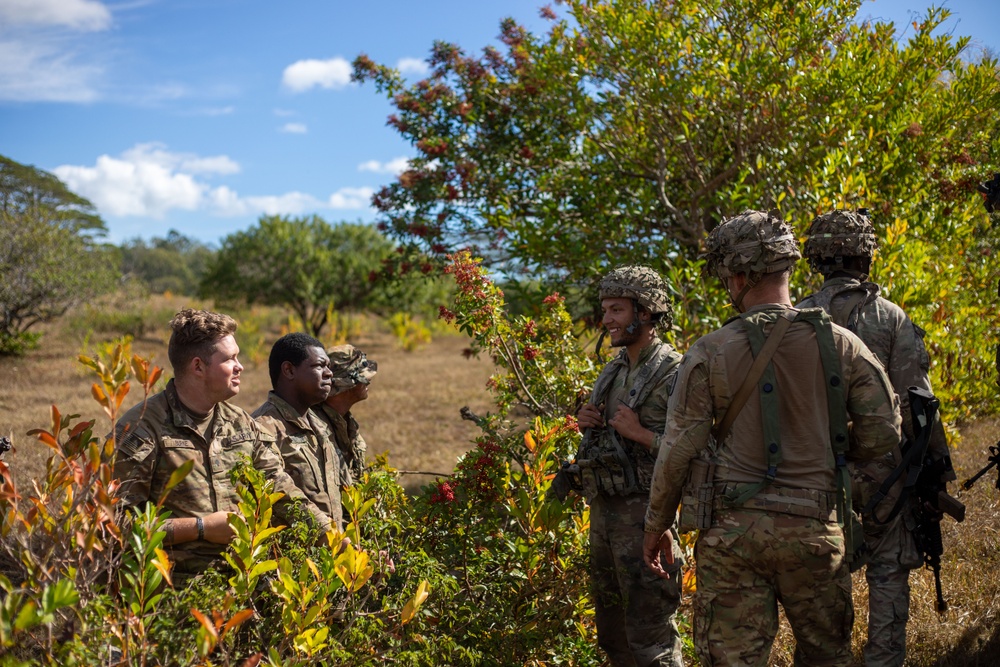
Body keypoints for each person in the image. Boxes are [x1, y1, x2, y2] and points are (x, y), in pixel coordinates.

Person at [643, 210, 902, 667]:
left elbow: (677, 449)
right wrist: (830, 449)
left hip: (732, 539)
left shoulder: (710, 349)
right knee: (827, 658)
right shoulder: (844, 345)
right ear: (788, 267)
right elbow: (884, 433)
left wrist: (655, 525)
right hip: (817, 533)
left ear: (738, 275)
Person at [798, 208, 955, 667]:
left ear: (816, 259)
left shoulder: (792, 319)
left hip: (811, 475)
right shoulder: (889, 317)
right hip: (884, 473)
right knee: (888, 575)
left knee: (821, 587)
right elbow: (918, 404)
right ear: (866, 258)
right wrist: (935, 474)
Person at [113, 309, 332, 577]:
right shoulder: (141, 428)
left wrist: (334, 540)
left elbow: (280, 487)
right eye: (230, 359)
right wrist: (200, 527)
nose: (240, 366)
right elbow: (116, 524)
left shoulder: (241, 423)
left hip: (242, 586)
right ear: (198, 367)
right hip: (171, 595)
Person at [573, 265, 685, 667]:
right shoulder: (615, 368)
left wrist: (641, 434)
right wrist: (588, 421)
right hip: (605, 515)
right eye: (605, 309)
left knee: (652, 638)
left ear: (646, 312)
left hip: (649, 519)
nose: (606, 320)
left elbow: (694, 450)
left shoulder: (676, 371)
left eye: (617, 309)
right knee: (613, 635)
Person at [252, 332, 344, 530]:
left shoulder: (319, 425)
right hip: (294, 557)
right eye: (319, 366)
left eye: (328, 366)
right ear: (289, 370)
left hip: (335, 552)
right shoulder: (263, 428)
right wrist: (335, 540)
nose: (329, 373)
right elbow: (282, 495)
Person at [312, 344, 376, 486]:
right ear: (343, 386)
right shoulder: (315, 430)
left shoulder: (344, 420)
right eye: (361, 376)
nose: (369, 380)